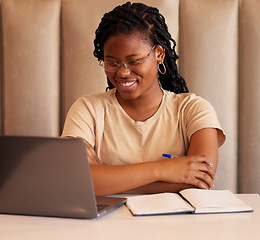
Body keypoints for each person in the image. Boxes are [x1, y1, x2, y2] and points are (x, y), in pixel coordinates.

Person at [61, 2, 226, 196]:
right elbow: (73, 179)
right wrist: (164, 169)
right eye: (112, 62)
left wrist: (104, 179)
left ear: (159, 54)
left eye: (134, 61)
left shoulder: (193, 110)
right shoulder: (87, 109)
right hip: (106, 226)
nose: (122, 72)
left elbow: (201, 181)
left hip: (178, 224)